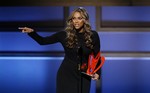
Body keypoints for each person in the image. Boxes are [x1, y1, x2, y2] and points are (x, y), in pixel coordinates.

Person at [19, 7, 101, 93]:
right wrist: (32, 33)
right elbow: (43, 41)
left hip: (84, 75)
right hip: (66, 74)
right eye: (74, 18)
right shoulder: (64, 35)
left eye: (79, 18)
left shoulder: (93, 35)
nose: (76, 21)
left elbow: (97, 56)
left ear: (85, 20)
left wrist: (97, 73)